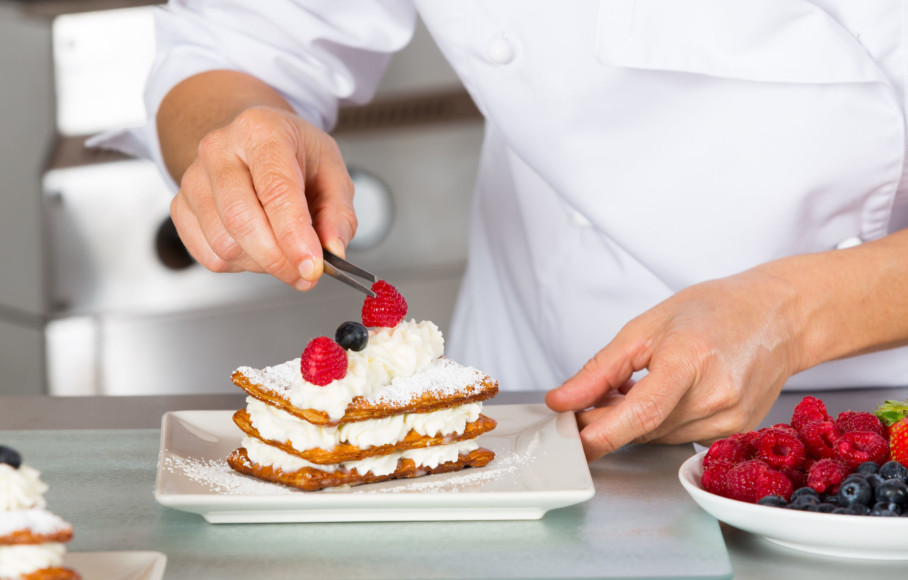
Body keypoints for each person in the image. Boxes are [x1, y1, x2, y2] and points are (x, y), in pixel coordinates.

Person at [99, 0, 908, 461]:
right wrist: (246, 130)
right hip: (539, 405)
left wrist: (792, 311)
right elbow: (242, 42)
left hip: (883, 417)